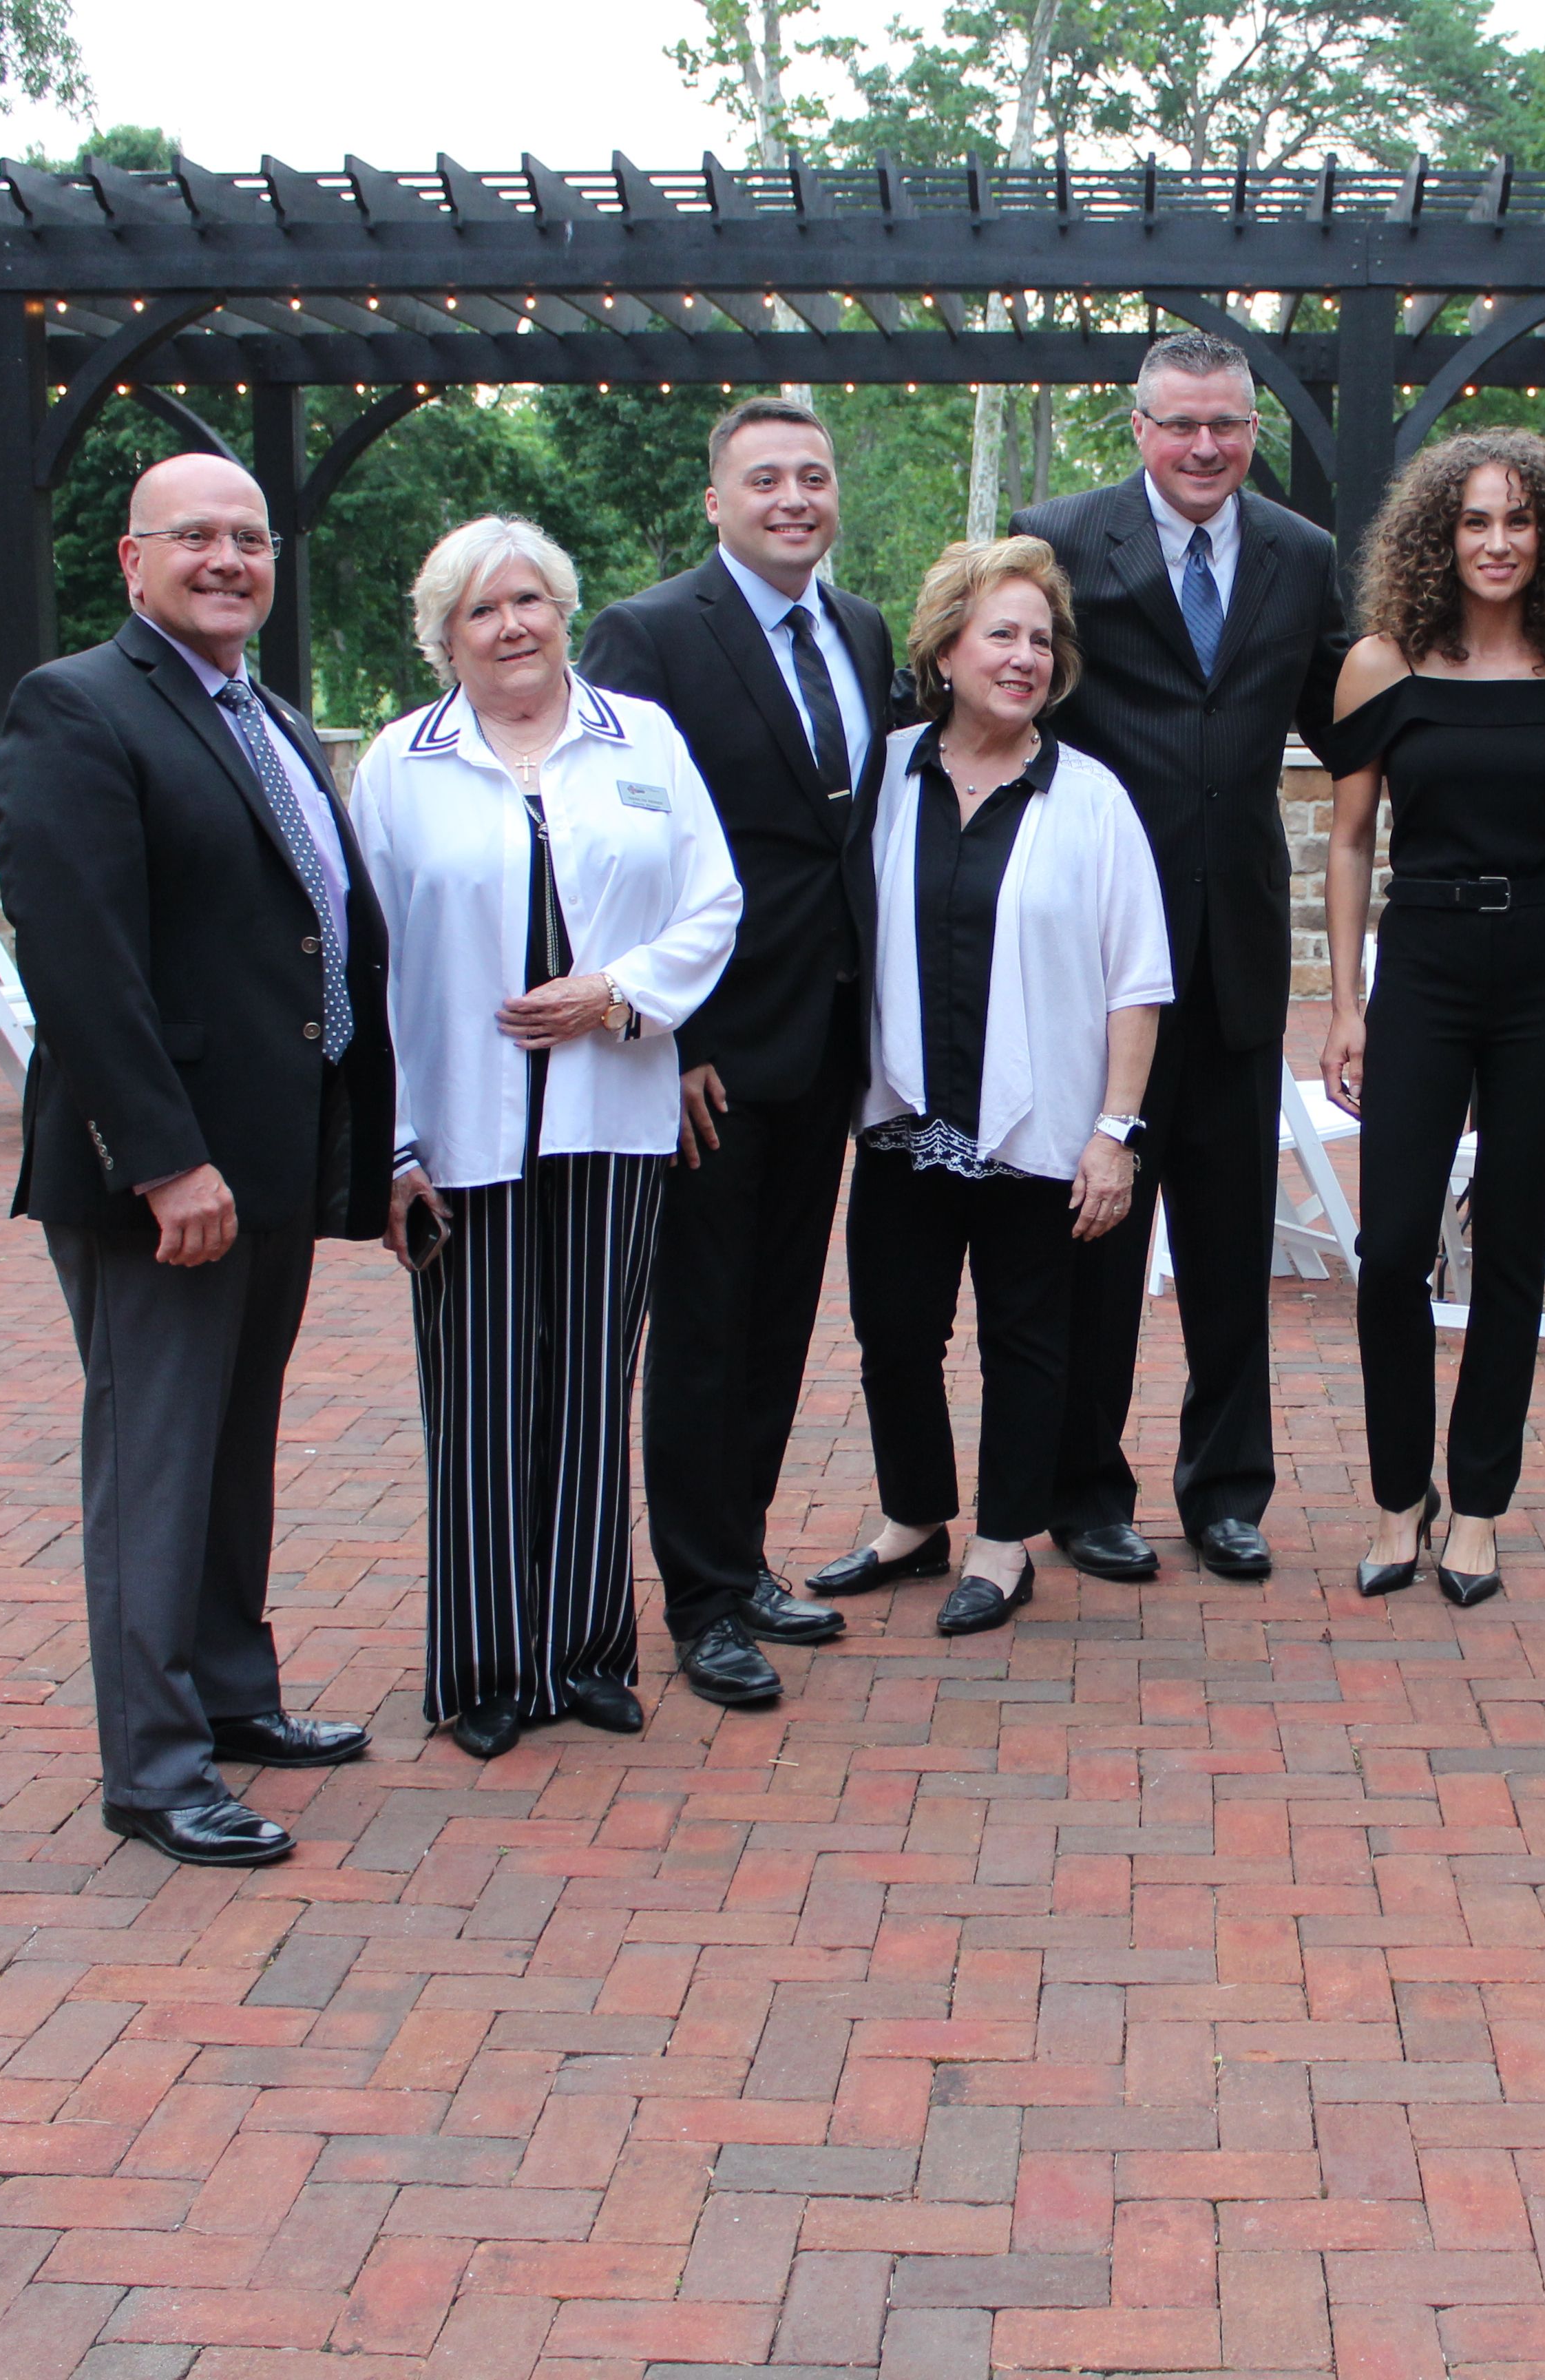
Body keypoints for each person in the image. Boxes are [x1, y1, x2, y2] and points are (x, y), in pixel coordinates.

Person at [0, 453, 393, 1867]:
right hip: (166, 1179)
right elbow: (80, 959)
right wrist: (164, 1160)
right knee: (158, 1467)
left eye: (249, 538)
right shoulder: (79, 707)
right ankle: (154, 1771)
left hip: (274, 1161)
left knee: (235, 1454)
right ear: (132, 559)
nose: (228, 559)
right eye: (197, 538)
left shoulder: (264, 713)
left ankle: (233, 1697)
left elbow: (309, 933)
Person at [356, 518, 743, 1755]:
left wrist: (616, 994)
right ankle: (480, 1670)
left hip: (607, 1116)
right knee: (475, 1397)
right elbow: (367, 966)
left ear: (564, 611)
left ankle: (583, 1650)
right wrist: (392, 1144)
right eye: (481, 610)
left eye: (529, 599)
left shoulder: (643, 741)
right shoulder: (399, 767)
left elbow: (713, 900)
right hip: (460, 1132)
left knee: (587, 1385)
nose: (512, 625)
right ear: (443, 637)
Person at [1013, 331, 1348, 1586]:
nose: (1205, 448)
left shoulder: (1302, 555)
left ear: (1254, 428)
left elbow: (1348, 717)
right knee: (1095, 1237)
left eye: (1229, 426)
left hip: (1241, 953)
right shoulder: (1057, 536)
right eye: (1181, 425)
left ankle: (1226, 1493)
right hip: (1099, 957)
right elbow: (999, 684)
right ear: (1138, 425)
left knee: (1227, 1243)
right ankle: (1086, 1491)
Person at [577, 397, 889, 1691]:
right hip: (706, 1055)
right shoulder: (648, 636)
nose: (794, 500)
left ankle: (744, 1556)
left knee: (775, 1321)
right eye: (765, 480)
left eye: (813, 478)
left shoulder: (864, 633)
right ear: (717, 501)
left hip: (830, 1040)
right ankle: (700, 1600)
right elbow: (621, 850)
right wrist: (673, 1033)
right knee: (701, 1330)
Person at [811, 537, 1172, 1637]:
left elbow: (1138, 979)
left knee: (1029, 1340)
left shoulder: (1092, 797)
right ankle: (914, 1517)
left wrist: (1115, 1132)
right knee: (895, 1333)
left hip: (1043, 1133)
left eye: (1039, 638)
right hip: (904, 1125)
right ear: (946, 647)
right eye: (999, 634)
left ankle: (1006, 1541)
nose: (1023, 658)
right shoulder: (883, 774)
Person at [1318, 430, 1545, 1606]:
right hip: (1429, 962)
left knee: (1512, 1237)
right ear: (1438, 537)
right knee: (1392, 1245)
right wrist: (1349, 1002)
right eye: (1474, 522)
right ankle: (1401, 1498)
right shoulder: (1382, 665)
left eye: (1517, 521)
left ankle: (1481, 1506)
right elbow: (1351, 841)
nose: (1497, 543)